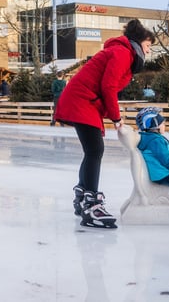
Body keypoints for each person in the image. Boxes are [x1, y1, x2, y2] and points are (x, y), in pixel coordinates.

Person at [54, 18, 156, 229]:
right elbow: (108, 87)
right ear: (138, 43)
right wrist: (116, 118)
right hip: (82, 101)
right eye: (148, 46)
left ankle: (83, 196)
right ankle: (92, 205)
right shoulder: (122, 53)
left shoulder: (122, 53)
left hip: (84, 101)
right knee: (94, 150)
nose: (149, 51)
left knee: (92, 151)